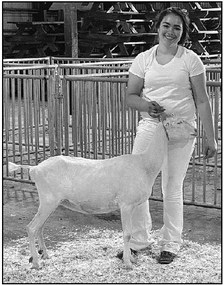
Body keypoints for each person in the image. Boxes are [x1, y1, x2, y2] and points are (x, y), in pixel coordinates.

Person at [117, 7, 217, 264]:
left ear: (183, 32)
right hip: (151, 128)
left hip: (181, 129)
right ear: (157, 26)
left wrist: (211, 137)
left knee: (171, 186)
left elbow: (203, 101)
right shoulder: (143, 59)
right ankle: (138, 240)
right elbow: (130, 96)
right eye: (166, 25)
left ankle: (170, 243)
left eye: (177, 28)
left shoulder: (191, 60)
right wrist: (146, 106)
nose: (171, 31)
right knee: (139, 186)